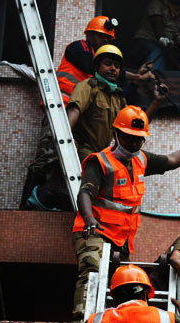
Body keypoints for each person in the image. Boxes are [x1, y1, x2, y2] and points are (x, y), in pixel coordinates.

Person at [71, 105, 180, 320]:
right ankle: (81, 319)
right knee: (93, 268)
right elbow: (85, 193)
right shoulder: (99, 162)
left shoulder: (141, 160)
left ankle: (113, 321)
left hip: (121, 240)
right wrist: (89, 218)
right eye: (129, 138)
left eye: (139, 139)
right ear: (116, 134)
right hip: (95, 231)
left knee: (117, 282)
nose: (134, 144)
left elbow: (172, 161)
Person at [22, 16, 118, 211]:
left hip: (74, 117)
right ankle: (26, 207)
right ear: (90, 34)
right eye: (102, 37)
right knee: (47, 156)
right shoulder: (78, 48)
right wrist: (131, 74)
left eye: (108, 40)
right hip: (58, 112)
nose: (105, 42)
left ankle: (46, 201)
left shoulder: (97, 64)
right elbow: (91, 64)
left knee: (62, 163)